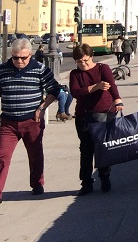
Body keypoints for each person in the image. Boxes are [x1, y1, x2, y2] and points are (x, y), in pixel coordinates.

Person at [0, 38, 61, 201]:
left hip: (32, 121)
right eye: (15, 57)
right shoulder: (2, 70)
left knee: (35, 154)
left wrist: (42, 108)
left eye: (23, 58)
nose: (19, 61)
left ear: (31, 55)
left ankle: (37, 184)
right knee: (2, 156)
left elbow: (55, 89)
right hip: (8, 122)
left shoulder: (40, 69)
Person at [68, 44, 123, 195]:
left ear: (91, 57)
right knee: (86, 149)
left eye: (85, 60)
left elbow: (112, 85)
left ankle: (104, 177)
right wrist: (95, 87)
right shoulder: (75, 74)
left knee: (103, 147)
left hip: (105, 112)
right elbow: (75, 92)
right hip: (84, 115)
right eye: (79, 62)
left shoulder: (102, 68)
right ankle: (86, 182)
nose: (83, 64)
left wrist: (117, 99)